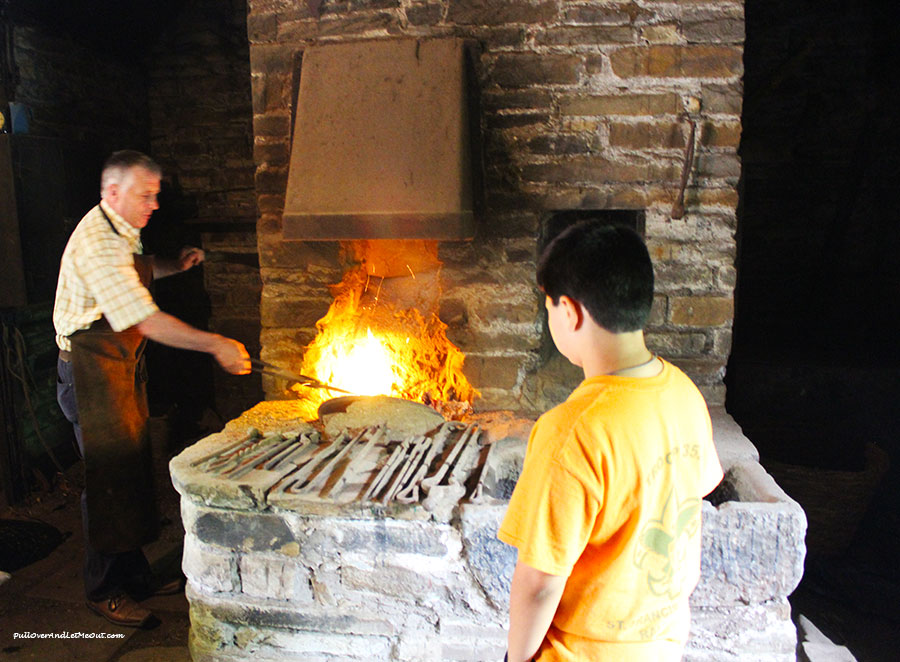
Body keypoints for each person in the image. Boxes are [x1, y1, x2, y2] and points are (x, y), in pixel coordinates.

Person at [498, 221, 723, 662]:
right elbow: (692, 493)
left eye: (548, 308)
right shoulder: (684, 394)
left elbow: (541, 581)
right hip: (662, 645)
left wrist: (517, 658)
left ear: (570, 312)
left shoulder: (571, 431)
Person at [53, 150, 250, 628]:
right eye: (146, 195)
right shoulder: (99, 242)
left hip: (115, 368)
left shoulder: (119, 226)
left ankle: (134, 576)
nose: (154, 204)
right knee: (108, 483)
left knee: (133, 474)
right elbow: (144, 318)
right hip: (89, 373)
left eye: (156, 194)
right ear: (112, 192)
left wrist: (170, 265)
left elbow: (133, 273)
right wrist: (216, 344)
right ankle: (103, 590)